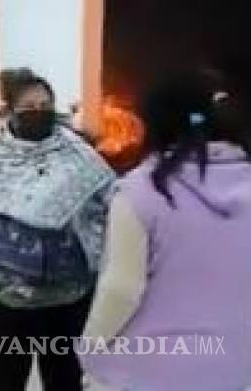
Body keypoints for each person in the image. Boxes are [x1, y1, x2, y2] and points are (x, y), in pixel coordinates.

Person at [0, 69, 114, 391]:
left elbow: (108, 212)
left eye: (45, 104)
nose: (38, 111)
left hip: (67, 295)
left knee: (64, 378)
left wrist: (97, 272)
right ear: (8, 110)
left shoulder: (80, 158)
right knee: (4, 378)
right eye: (29, 105)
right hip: (2, 294)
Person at [81, 70, 251, 391]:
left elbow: (122, 289)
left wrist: (90, 347)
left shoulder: (141, 191)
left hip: (140, 372)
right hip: (232, 371)